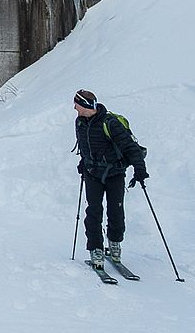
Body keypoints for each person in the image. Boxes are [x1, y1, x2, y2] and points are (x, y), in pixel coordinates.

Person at [74, 89, 148, 269]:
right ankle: (96, 249)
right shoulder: (80, 123)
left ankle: (114, 243)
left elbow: (131, 147)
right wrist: (84, 162)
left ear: (84, 105)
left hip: (115, 173)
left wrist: (140, 169)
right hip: (92, 173)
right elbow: (85, 146)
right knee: (93, 211)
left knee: (116, 211)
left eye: (76, 103)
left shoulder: (111, 123)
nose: (74, 107)